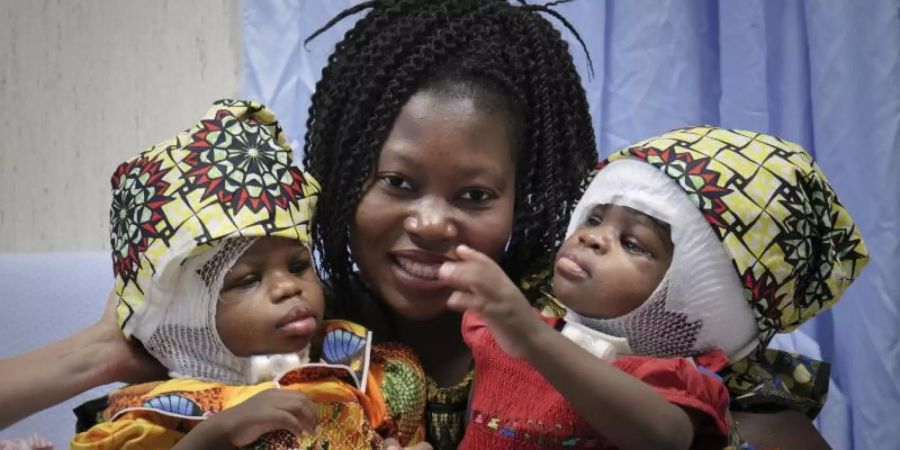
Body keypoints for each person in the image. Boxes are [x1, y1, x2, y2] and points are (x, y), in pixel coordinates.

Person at [2, 2, 839, 448]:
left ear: (527, 195)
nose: (431, 222)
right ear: (342, 174)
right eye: (396, 182)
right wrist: (100, 352)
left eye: (475, 196)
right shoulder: (282, 324)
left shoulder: (593, 317)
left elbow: (746, 416)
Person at [437, 125, 869, 449]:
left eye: (634, 243)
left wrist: (531, 339)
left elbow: (665, 437)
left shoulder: (672, 382)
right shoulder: (504, 334)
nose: (592, 237)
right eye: (592, 217)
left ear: (703, 296)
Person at [70, 99, 427, 449]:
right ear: (188, 313)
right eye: (248, 279)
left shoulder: (366, 375)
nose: (288, 286)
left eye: (299, 265)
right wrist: (217, 434)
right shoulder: (153, 416)